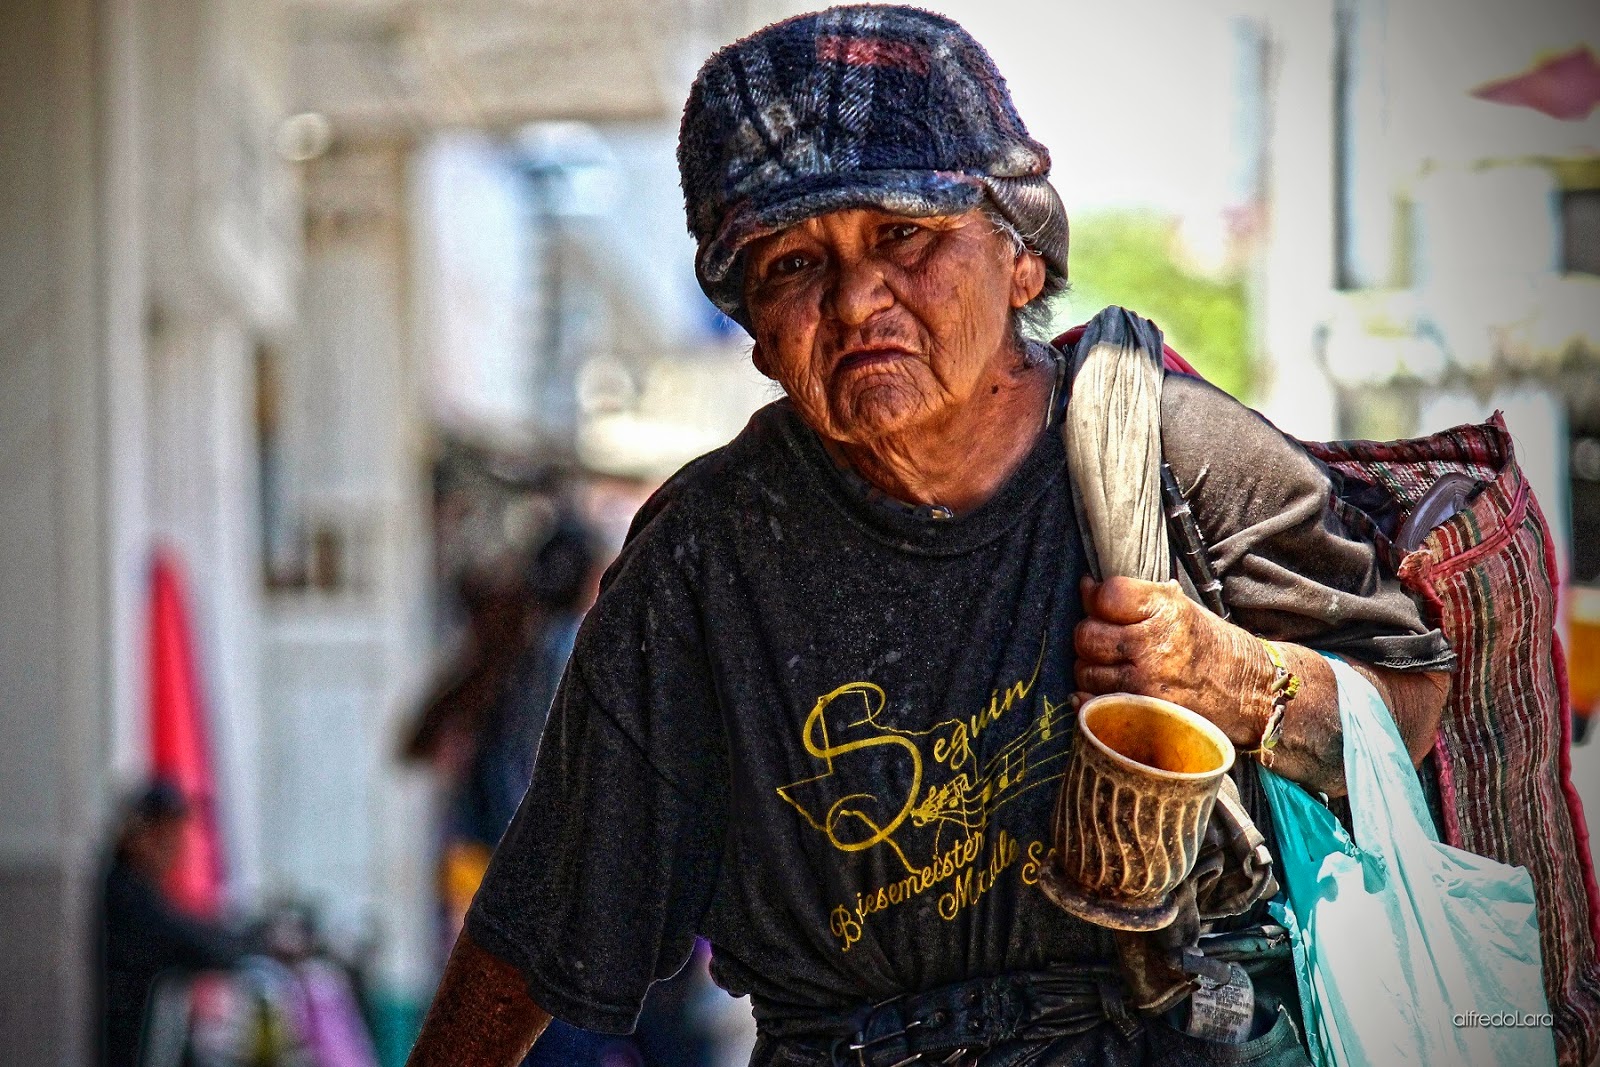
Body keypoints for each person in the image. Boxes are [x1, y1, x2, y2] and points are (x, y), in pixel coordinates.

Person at [406, 7, 1454, 1066]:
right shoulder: (707, 557)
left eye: (903, 234)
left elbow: (1404, 714)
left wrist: (1242, 678)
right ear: (759, 337)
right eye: (792, 265)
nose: (858, 298)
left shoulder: (1177, 455)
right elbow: (550, 911)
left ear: (1021, 259)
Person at [99, 781, 249, 1067]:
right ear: (139, 834)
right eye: (164, 834)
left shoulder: (139, 889)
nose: (175, 848)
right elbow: (193, 944)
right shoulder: (123, 893)